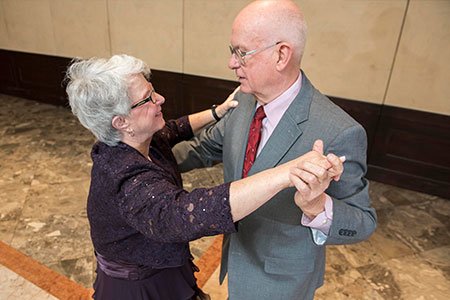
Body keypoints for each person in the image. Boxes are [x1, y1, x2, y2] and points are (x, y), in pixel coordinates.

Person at [65, 54, 344, 300]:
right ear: (121, 122)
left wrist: (216, 112)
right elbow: (186, 214)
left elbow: (174, 129)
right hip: (139, 287)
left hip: (163, 269)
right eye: (148, 98)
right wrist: (287, 173)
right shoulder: (125, 177)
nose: (160, 99)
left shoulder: (136, 138)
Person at [173, 0, 377, 299]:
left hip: (283, 281)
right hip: (237, 255)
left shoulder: (340, 131)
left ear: (282, 55)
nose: (231, 63)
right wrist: (139, 160)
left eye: (241, 53)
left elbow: (364, 222)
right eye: (232, 51)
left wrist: (316, 207)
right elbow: (202, 148)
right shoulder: (244, 101)